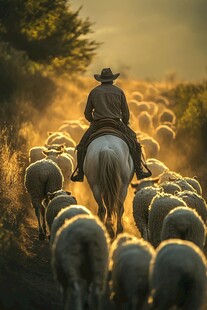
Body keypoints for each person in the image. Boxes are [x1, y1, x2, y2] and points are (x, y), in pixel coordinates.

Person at [71, 68, 152, 182]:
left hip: (98, 124)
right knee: (135, 142)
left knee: (81, 146)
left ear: (101, 80)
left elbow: (87, 113)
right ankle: (139, 170)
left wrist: (92, 120)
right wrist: (124, 123)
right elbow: (125, 113)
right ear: (112, 80)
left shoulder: (94, 92)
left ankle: (80, 173)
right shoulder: (119, 91)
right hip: (116, 123)